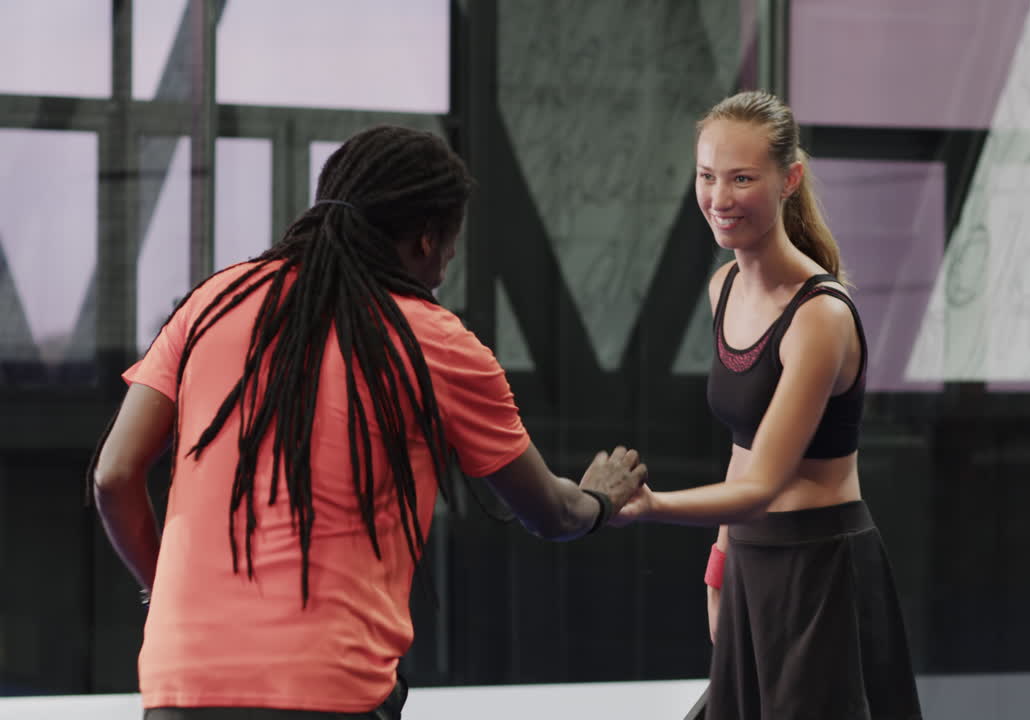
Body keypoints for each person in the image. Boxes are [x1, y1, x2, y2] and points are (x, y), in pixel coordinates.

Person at [88, 125, 648, 720]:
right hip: (330, 687)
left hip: (184, 682)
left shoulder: (211, 302)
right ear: (427, 241)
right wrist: (600, 501)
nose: (445, 268)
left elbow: (114, 475)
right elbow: (550, 513)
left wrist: (166, 586)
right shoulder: (433, 340)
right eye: (450, 250)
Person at [612, 91, 922, 719]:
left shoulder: (820, 317)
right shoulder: (722, 287)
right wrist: (722, 557)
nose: (719, 198)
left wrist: (651, 506)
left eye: (742, 178)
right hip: (754, 564)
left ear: (790, 180)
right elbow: (743, 446)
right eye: (707, 177)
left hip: (821, 573)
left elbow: (763, 483)